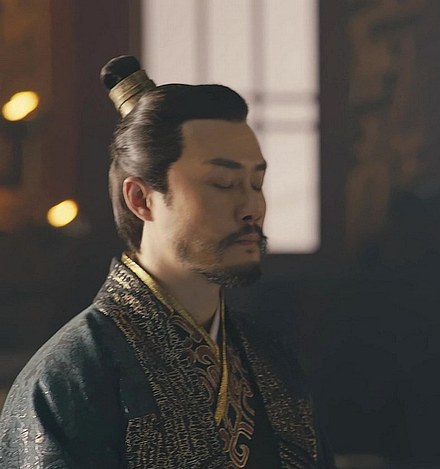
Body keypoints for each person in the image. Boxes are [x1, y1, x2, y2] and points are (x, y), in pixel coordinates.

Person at [0, 55, 333, 468]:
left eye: (257, 183)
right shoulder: (70, 378)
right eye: (223, 183)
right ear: (141, 199)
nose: (252, 207)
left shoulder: (272, 363)